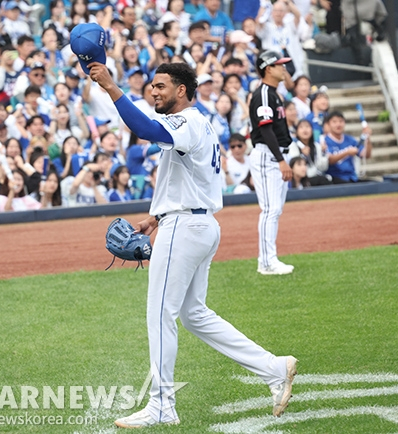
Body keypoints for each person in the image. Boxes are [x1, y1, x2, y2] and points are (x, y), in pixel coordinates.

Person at [87, 57, 297, 429]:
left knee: (160, 315)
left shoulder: (184, 120)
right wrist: (156, 216)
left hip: (185, 228)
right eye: (152, 86)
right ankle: (274, 368)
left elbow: (144, 129)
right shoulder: (196, 122)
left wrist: (110, 85)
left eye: (161, 86)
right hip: (194, 223)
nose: (153, 91)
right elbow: (185, 175)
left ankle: (162, 404)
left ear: (181, 90)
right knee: (193, 314)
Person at [249, 51, 295, 276]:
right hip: (268, 156)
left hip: (274, 155)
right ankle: (267, 262)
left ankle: (269, 259)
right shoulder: (264, 94)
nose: (283, 69)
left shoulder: (274, 93)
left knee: (274, 210)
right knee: (270, 210)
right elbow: (265, 128)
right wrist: (280, 160)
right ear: (268, 68)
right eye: (280, 65)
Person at [324, 111, 372, 183]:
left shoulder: (350, 140)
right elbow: (329, 160)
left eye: (341, 121)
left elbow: (366, 155)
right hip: (334, 178)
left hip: (351, 177)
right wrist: (347, 152)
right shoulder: (324, 141)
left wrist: (367, 139)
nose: (338, 124)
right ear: (328, 124)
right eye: (334, 122)